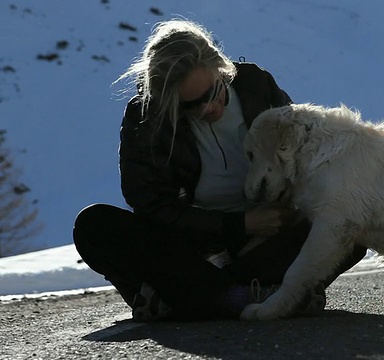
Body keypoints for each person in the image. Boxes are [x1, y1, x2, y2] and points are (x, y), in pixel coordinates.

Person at [73, 19, 366, 322]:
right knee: (94, 226)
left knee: (353, 223)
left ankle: (180, 296)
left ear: (220, 69)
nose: (206, 109)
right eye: (188, 106)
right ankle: (248, 296)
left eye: (212, 93)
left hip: (265, 242)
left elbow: (304, 151)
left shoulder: (256, 85)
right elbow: (150, 203)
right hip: (190, 246)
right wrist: (237, 224)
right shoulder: (145, 117)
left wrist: (286, 210)